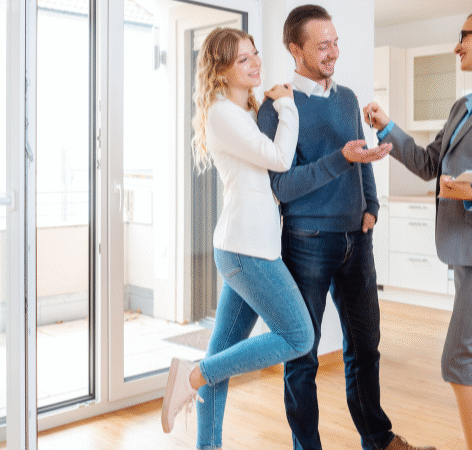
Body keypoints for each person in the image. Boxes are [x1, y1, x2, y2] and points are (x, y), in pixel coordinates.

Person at [256, 5, 434, 450]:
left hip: (358, 238)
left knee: (365, 346)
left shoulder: (349, 98)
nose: (333, 51)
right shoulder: (278, 107)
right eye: (322, 45)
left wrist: (370, 205)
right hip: (307, 241)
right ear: (295, 49)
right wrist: (343, 160)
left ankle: (378, 439)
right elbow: (281, 185)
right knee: (302, 354)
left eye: (335, 41)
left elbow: (363, 159)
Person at [363, 7, 472, 450]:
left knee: (461, 362)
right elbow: (429, 164)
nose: (457, 45)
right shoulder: (463, 106)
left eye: (465, 35)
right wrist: (388, 127)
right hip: (469, 255)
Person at [160, 27, 315, 450]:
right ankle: (193, 375)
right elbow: (280, 158)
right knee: (299, 336)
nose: (256, 64)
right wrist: (287, 105)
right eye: (243, 59)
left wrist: (269, 105)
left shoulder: (239, 111)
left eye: (255, 54)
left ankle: (206, 442)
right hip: (247, 250)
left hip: (248, 246)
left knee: (222, 355)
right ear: (221, 70)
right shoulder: (222, 114)